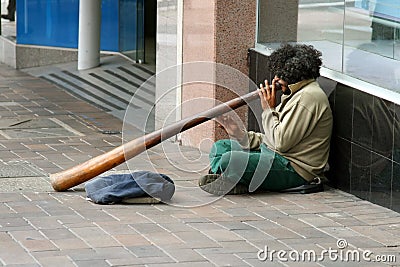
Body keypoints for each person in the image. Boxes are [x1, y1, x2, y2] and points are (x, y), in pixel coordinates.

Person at [199, 43, 333, 195]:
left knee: (229, 160)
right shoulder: (295, 94)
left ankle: (232, 178)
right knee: (220, 148)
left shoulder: (308, 98)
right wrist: (240, 134)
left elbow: (280, 143)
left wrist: (268, 110)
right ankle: (233, 180)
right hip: (274, 156)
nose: (275, 79)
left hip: (294, 169)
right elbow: (271, 139)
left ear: (295, 75)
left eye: (281, 75)